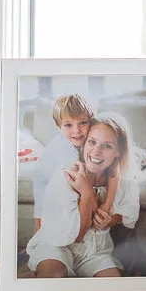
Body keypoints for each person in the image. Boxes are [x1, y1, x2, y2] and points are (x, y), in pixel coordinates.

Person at [27, 114, 139, 278]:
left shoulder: (125, 185)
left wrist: (112, 218)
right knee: (54, 273)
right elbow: (77, 236)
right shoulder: (66, 178)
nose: (96, 151)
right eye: (92, 142)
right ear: (84, 143)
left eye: (107, 146)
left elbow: (129, 215)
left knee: (112, 282)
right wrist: (86, 194)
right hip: (57, 244)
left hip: (94, 252)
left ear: (118, 152)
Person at [31, 94, 94, 235]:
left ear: (91, 121)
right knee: (43, 224)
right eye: (68, 125)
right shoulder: (63, 152)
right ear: (59, 127)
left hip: (60, 181)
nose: (76, 130)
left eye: (83, 123)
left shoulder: (90, 138)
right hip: (45, 182)